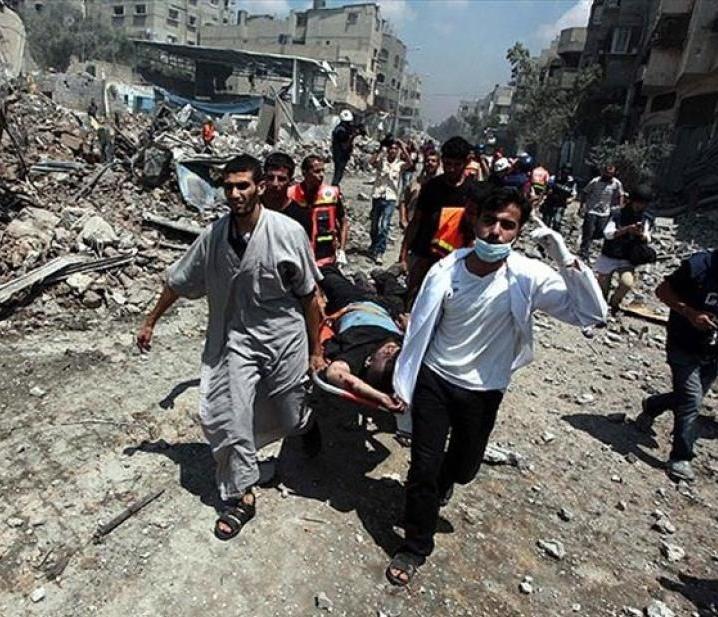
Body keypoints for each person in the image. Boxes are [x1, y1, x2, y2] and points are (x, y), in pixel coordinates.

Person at [386, 187, 607, 586]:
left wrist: (563, 257)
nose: (496, 232)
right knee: (423, 466)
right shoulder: (447, 270)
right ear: (475, 220)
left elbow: (590, 313)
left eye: (508, 225)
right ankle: (415, 545)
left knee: (464, 467)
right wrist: (404, 385)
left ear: (518, 231)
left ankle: (443, 483)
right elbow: (419, 329)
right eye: (490, 221)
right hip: (436, 380)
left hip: (483, 391)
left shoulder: (527, 276)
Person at [136, 154, 325, 541]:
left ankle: (307, 425)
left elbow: (309, 297)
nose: (236, 194)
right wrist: (151, 320)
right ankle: (241, 495)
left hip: (284, 337)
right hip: (236, 339)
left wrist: (316, 351)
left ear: (259, 187)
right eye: (229, 187)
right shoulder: (214, 236)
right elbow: (178, 280)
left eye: (243, 186)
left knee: (291, 415)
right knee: (230, 413)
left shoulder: (287, 232)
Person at [634, 249, 718, 483]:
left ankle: (653, 405)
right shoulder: (698, 267)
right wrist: (689, 313)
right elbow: (662, 291)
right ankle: (681, 457)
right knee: (691, 400)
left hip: (713, 350)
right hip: (683, 343)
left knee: (689, 397)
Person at [399, 136, 480, 307]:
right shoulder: (432, 187)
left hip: (455, 260)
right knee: (414, 298)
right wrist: (404, 254)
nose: (451, 169)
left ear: (466, 162)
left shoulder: (473, 192)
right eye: (447, 164)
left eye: (456, 165)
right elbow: (416, 221)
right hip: (424, 254)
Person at [594, 185, 655, 314]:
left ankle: (614, 303)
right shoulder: (617, 214)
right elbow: (608, 234)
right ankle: (601, 307)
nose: (640, 206)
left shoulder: (646, 218)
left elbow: (648, 237)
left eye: (643, 204)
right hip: (610, 255)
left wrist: (640, 234)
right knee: (603, 284)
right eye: (638, 203)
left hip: (627, 258)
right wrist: (626, 230)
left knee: (627, 283)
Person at [286, 155, 349, 268]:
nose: (321, 175)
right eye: (317, 171)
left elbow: (343, 221)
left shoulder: (331, 194)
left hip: (326, 258)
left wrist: (342, 251)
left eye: (323, 171)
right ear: (304, 172)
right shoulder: (290, 194)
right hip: (298, 258)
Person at [369, 139, 412, 265]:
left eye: (395, 149)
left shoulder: (400, 165)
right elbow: (371, 162)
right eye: (391, 148)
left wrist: (403, 147)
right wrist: (380, 151)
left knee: (384, 225)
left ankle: (380, 252)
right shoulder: (382, 162)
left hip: (390, 198)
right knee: (374, 225)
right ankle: (374, 244)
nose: (393, 151)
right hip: (378, 195)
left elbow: (410, 163)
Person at [579, 164, 624, 262]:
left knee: (601, 231)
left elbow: (621, 194)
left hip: (605, 212)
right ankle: (584, 251)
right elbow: (585, 192)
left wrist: (619, 206)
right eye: (607, 173)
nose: (608, 175)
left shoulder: (616, 183)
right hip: (591, 210)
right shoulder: (595, 181)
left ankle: (588, 240)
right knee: (588, 231)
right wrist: (582, 206)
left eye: (611, 174)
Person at [399, 149, 441, 230]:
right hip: (413, 225)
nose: (430, 163)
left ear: (438, 164)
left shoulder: (441, 184)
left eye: (433, 161)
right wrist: (403, 219)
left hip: (432, 227)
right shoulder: (415, 182)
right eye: (427, 160)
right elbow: (403, 200)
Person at [331, 109, 363, 186]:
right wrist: (353, 135)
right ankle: (334, 187)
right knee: (338, 173)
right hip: (340, 154)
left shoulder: (343, 128)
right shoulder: (340, 130)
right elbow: (344, 144)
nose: (349, 124)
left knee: (339, 173)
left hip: (342, 154)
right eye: (347, 122)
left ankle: (335, 186)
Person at [541, 164, 576, 231]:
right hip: (550, 203)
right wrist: (547, 193)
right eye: (563, 172)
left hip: (561, 204)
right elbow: (546, 189)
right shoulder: (554, 178)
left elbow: (574, 194)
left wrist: (570, 199)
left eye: (566, 173)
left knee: (557, 222)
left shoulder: (571, 182)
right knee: (546, 223)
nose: (564, 174)